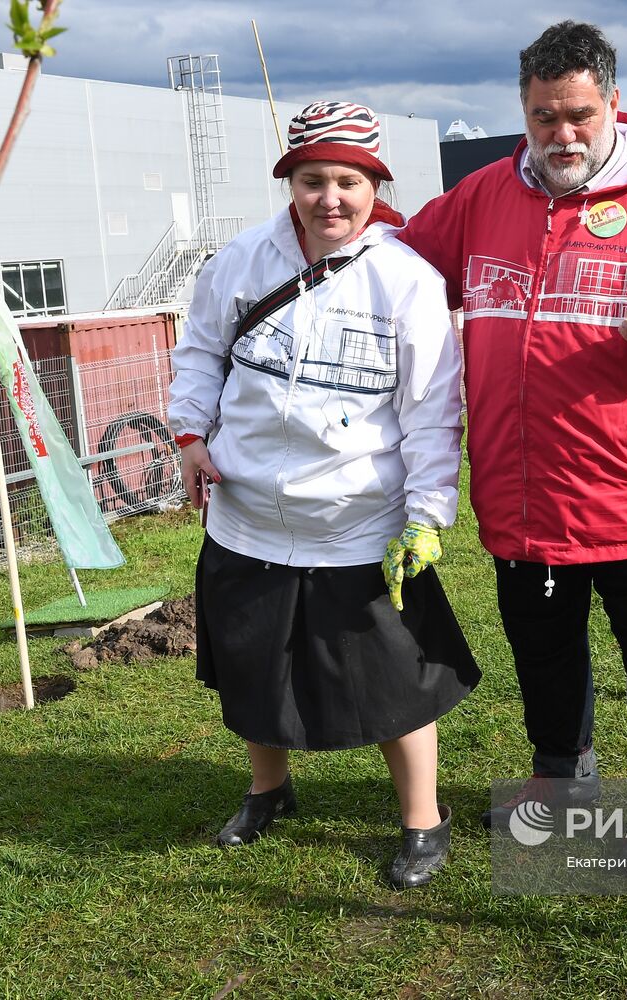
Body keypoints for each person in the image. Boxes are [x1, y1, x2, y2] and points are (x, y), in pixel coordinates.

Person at [398, 21, 627, 862]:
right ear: (522, 112)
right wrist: (338, 208)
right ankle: (563, 781)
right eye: (542, 118)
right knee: (544, 652)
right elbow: (403, 262)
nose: (561, 135)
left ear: (612, 104)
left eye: (578, 115)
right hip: (524, 499)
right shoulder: (485, 197)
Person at [168, 101, 480, 889]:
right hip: (246, 518)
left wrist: (427, 514)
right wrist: (190, 436)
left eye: (348, 181)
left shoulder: (407, 281)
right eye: (313, 180)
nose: (330, 198)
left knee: (392, 681)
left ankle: (422, 820)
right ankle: (268, 792)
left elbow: (432, 412)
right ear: (290, 182)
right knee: (250, 666)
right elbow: (201, 353)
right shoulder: (239, 261)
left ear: (376, 185)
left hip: (358, 524)